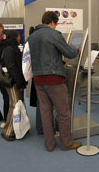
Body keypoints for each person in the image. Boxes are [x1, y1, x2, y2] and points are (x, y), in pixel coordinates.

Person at [28, 11, 82, 152]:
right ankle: (66, 144)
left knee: (45, 112)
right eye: (56, 24)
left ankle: (49, 144)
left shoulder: (32, 36)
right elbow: (70, 53)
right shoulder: (54, 34)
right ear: (52, 22)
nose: (55, 26)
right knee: (63, 112)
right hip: (54, 79)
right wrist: (77, 49)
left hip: (38, 80)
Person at [1, 30, 27, 141]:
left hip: (17, 81)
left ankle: (18, 128)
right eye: (18, 36)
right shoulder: (8, 50)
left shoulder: (14, 49)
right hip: (12, 82)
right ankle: (7, 131)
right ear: (14, 37)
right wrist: (19, 83)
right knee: (15, 105)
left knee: (18, 104)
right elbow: (12, 68)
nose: (19, 38)